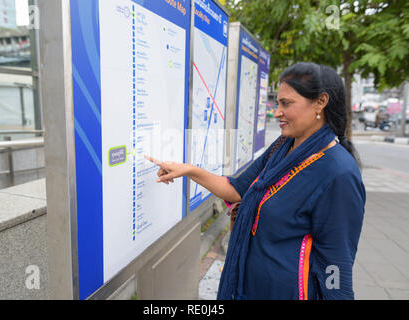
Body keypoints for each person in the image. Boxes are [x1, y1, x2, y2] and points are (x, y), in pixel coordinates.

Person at [145, 62, 366, 300]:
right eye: (277, 102)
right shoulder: (282, 148)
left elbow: (336, 263)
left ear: (320, 102)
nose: (277, 112)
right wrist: (188, 170)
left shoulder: (339, 173)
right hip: (248, 288)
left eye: (286, 103)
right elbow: (236, 189)